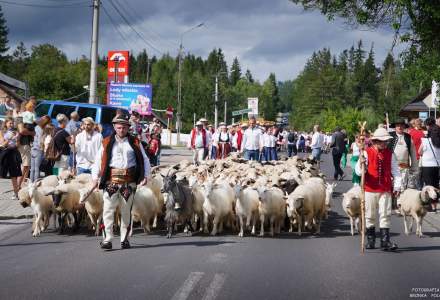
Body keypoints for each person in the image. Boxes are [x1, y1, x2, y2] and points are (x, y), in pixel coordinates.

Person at [91, 114, 150, 250]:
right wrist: (95, 178)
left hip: (128, 183)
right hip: (111, 182)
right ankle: (108, 239)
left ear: (128, 127)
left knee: (126, 211)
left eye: (124, 127)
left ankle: (124, 239)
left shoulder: (135, 142)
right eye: (119, 127)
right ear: (114, 127)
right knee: (108, 210)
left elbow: (145, 159)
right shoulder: (106, 142)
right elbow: (98, 161)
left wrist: (146, 175)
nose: (121, 129)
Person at [356, 127, 401, 251]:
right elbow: (359, 172)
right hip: (370, 188)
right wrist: (362, 164)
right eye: (382, 141)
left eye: (386, 141)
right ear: (375, 141)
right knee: (369, 215)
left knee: (385, 214)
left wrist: (397, 185)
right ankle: (370, 241)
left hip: (385, 188)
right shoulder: (366, 152)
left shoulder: (390, 154)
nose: (385, 143)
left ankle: (385, 241)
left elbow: (396, 171)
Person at [388, 119, 417, 200]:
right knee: (392, 186)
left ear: (404, 126)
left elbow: (413, 154)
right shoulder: (389, 137)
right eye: (397, 125)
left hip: (404, 167)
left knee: (402, 187)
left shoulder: (408, 138)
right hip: (391, 167)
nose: (399, 127)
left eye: (401, 125)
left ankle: (400, 205)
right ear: (395, 127)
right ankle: (392, 204)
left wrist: (414, 169)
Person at [418, 118, 440, 212]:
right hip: (438, 165)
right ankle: (435, 205)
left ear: (427, 126)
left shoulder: (425, 141)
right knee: (436, 185)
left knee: (429, 186)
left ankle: (430, 206)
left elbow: (419, 152)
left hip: (427, 165)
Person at [0, 117, 22, 199]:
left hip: (13, 153)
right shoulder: (2, 132)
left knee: (14, 175)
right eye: (10, 123)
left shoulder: (16, 132)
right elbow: (2, 144)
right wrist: (9, 138)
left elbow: (18, 145)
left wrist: (17, 139)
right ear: (6, 123)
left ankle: (16, 193)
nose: (12, 125)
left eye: (12, 123)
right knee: (1, 174)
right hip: (4, 153)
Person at [30, 115, 51, 182]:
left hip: (33, 148)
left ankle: (31, 182)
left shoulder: (36, 127)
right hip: (39, 149)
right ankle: (35, 183)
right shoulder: (44, 129)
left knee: (32, 168)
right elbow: (41, 141)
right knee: (37, 168)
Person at [16, 115, 35, 188]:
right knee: (24, 167)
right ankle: (18, 187)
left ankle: (22, 186)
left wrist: (30, 133)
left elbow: (34, 133)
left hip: (26, 145)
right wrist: (30, 133)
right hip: (23, 146)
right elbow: (21, 131)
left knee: (26, 167)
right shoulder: (20, 119)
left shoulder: (27, 120)